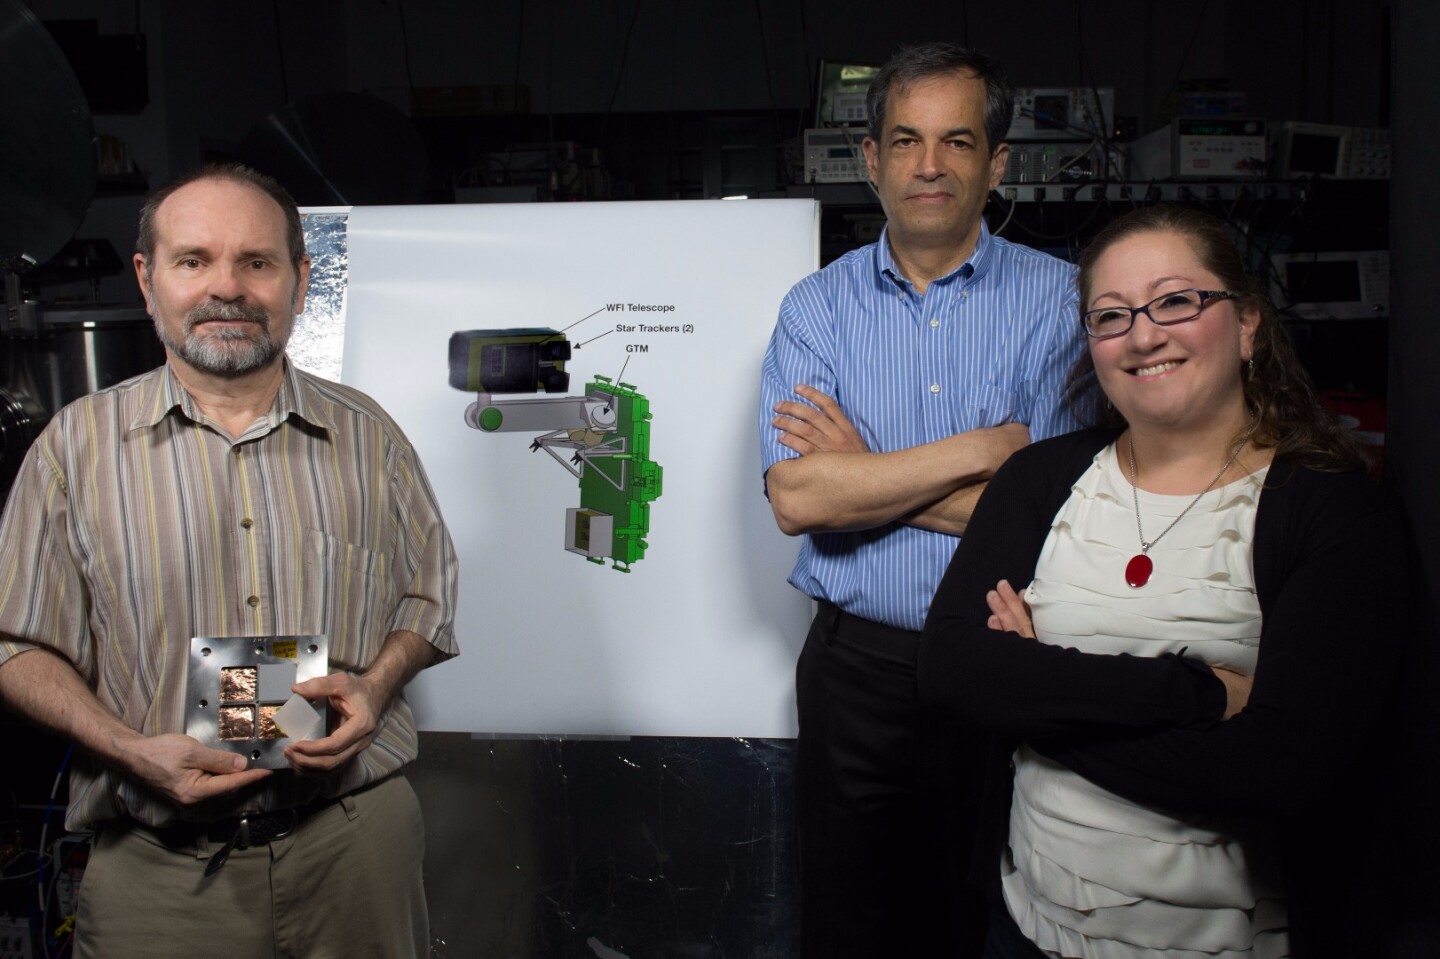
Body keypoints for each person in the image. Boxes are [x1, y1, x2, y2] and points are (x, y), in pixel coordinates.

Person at [0, 164, 459, 959]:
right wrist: (127, 748)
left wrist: (376, 685)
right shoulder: (72, 451)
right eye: (194, 260)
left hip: (353, 849)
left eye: (256, 261)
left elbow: (430, 593)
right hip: (158, 874)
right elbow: (15, 645)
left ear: (300, 279)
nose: (227, 287)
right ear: (147, 278)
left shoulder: (370, 436)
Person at [918, 204, 1401, 958]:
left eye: (1176, 301)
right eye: (1111, 316)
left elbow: (1279, 770)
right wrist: (1198, 694)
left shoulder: (1334, 513)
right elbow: (950, 668)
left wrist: (1032, 697)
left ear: (1248, 324)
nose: (1143, 336)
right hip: (1025, 929)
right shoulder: (1040, 479)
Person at [758, 42, 1084, 957]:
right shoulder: (816, 308)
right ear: (872, 159)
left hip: (1002, 658)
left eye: (957, 141)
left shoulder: (1063, 305)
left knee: (982, 923)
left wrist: (866, 475)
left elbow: (1057, 516)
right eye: (906, 140)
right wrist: (986, 451)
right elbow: (798, 497)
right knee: (849, 925)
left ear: (997, 162)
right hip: (854, 673)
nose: (929, 165)